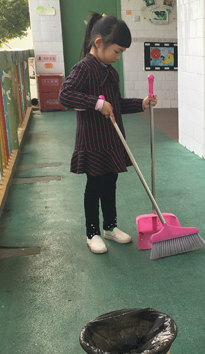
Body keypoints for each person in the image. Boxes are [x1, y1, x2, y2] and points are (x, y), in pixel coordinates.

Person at [59, 13, 157, 254]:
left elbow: (116, 104)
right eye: (117, 51)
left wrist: (141, 103)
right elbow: (65, 95)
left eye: (121, 52)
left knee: (110, 184)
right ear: (99, 42)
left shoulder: (111, 73)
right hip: (93, 141)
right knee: (95, 186)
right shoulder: (83, 68)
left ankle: (110, 227)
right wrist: (96, 103)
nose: (118, 56)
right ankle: (92, 233)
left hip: (112, 140)